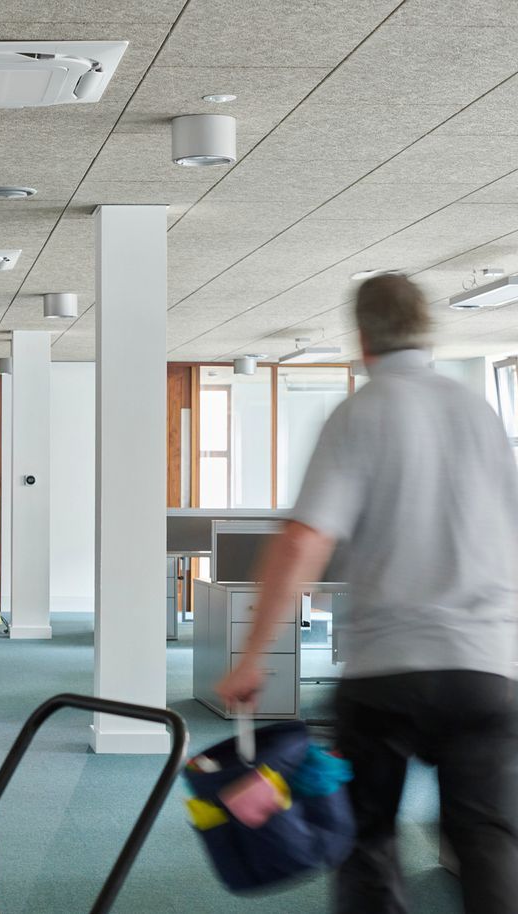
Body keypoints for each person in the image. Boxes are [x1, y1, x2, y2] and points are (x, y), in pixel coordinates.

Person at [216, 274, 518, 914]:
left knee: (368, 842)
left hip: (389, 670)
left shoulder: (361, 412)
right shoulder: (482, 413)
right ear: (426, 330)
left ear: (361, 336)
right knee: (488, 840)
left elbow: (303, 541)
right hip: (485, 666)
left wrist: (251, 657)